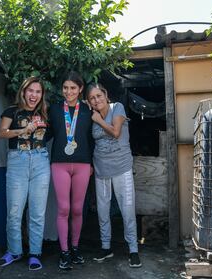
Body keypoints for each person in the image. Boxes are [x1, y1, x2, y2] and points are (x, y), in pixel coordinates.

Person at [86, 83, 142, 268]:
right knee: (103, 210)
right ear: (89, 101)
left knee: (127, 209)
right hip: (101, 169)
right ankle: (105, 247)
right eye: (92, 98)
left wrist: (98, 120)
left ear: (105, 94)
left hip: (121, 167)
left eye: (99, 96)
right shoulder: (91, 114)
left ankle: (133, 249)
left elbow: (116, 132)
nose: (96, 100)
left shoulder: (117, 107)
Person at [0, 77, 50, 271]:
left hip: (41, 161)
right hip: (17, 161)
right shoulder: (12, 111)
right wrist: (22, 130)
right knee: (14, 210)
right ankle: (14, 250)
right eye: (30, 91)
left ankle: (35, 254)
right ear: (23, 91)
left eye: (38, 92)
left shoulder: (45, 112)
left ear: (41, 95)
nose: (34, 95)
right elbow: (1, 133)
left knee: (37, 212)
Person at [49, 71, 93, 270]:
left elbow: (92, 138)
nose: (69, 92)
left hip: (83, 164)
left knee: (77, 209)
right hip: (59, 163)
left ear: (80, 89)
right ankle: (64, 251)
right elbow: (47, 133)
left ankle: (75, 248)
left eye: (73, 88)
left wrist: (92, 163)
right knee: (64, 209)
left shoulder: (87, 110)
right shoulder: (54, 109)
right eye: (65, 88)